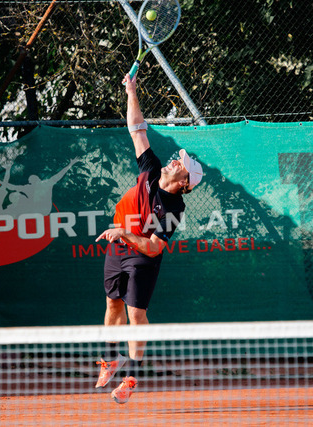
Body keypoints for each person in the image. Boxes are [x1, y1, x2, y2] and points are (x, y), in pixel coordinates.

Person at [94, 74, 204, 404]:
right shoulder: (152, 170)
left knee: (136, 314)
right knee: (112, 303)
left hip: (142, 256)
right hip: (117, 247)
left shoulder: (173, 207)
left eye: (182, 164)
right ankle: (110, 359)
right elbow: (137, 130)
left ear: (185, 183)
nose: (175, 160)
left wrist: (125, 232)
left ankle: (131, 378)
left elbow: (154, 247)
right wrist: (131, 91)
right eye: (178, 159)